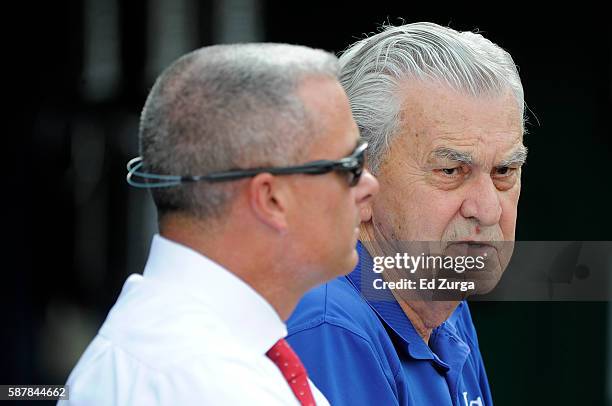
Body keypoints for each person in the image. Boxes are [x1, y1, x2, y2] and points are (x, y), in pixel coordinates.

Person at [60, 43, 379, 405]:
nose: (369, 185)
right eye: (350, 164)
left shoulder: (194, 351)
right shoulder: (213, 384)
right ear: (271, 199)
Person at [287, 22, 528, 405]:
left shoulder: (442, 300)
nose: (487, 210)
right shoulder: (330, 324)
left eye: (504, 172)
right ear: (358, 181)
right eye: (451, 171)